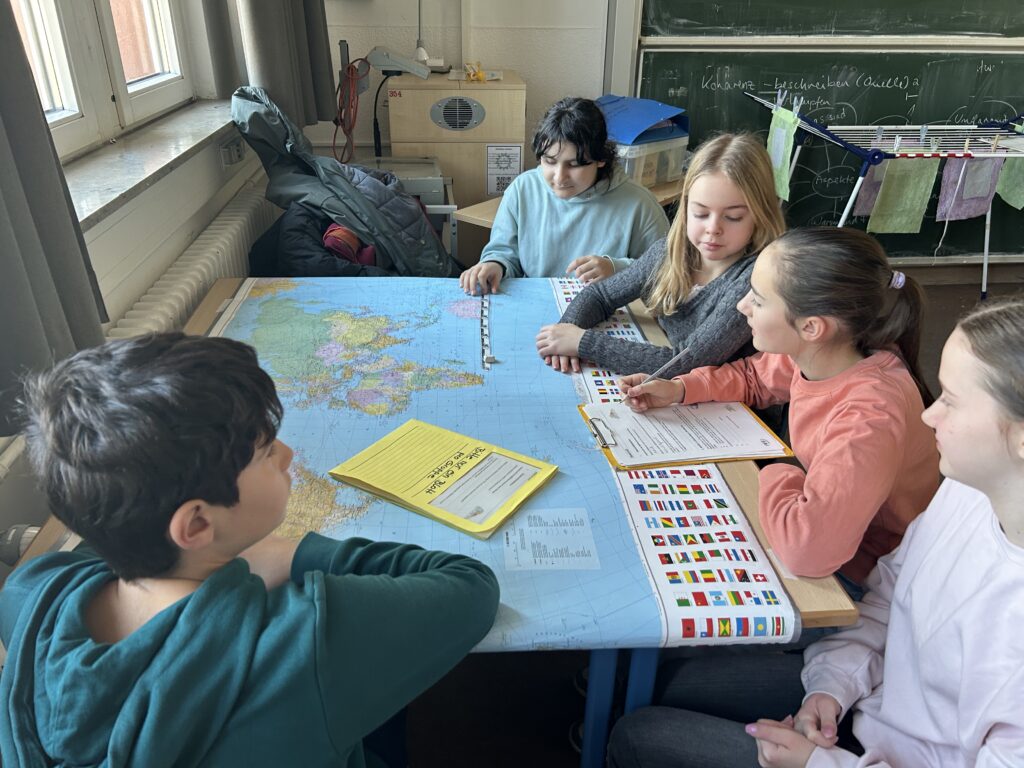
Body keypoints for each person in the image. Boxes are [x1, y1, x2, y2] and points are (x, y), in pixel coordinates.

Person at [0, 333, 500, 767]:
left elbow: (104, 537)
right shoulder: (307, 639)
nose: (287, 455)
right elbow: (470, 587)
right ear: (197, 524)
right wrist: (294, 554)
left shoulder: (32, 593)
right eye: (265, 451)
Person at [607, 297, 1024, 768]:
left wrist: (817, 763)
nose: (929, 415)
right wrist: (830, 688)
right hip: (871, 704)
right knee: (663, 683)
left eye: (951, 400)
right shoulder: (966, 495)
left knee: (638, 735)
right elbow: (888, 603)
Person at [619, 227, 940, 586]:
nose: (742, 306)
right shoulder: (826, 352)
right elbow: (754, 378)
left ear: (812, 327)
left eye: (757, 300)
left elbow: (807, 552)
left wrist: (777, 469)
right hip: (821, 530)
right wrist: (680, 389)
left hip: (859, 575)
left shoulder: (869, 415)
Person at [535, 133, 785, 376]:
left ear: (760, 214)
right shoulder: (671, 250)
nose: (713, 229)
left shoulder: (755, 280)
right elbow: (601, 295)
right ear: (686, 207)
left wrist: (582, 342)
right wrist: (566, 331)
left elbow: (683, 363)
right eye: (700, 213)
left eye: (733, 217)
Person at [458, 96, 669, 295]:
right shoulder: (522, 189)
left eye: (574, 165)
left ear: (601, 159)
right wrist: (494, 264)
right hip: (537, 305)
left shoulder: (640, 204)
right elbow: (503, 252)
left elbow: (667, 272)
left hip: (605, 311)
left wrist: (617, 269)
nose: (559, 177)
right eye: (549, 161)